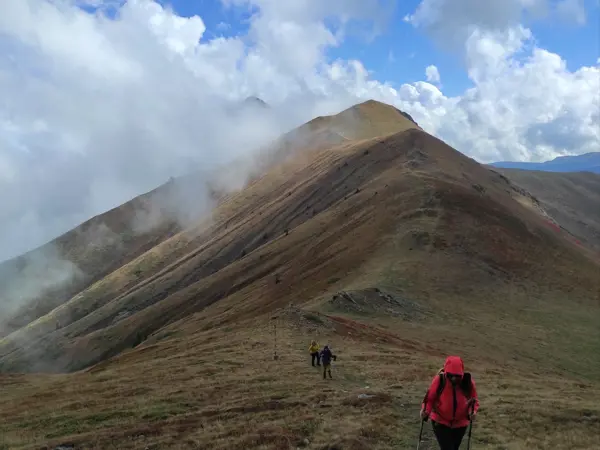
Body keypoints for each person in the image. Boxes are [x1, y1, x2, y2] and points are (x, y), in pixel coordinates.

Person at [420, 356, 479, 450]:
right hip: (440, 421)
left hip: (461, 423)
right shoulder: (440, 380)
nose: (454, 378)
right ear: (446, 373)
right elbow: (430, 398)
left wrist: (472, 412)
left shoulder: (468, 382)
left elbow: (473, 399)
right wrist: (426, 411)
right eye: (451, 375)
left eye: (457, 376)